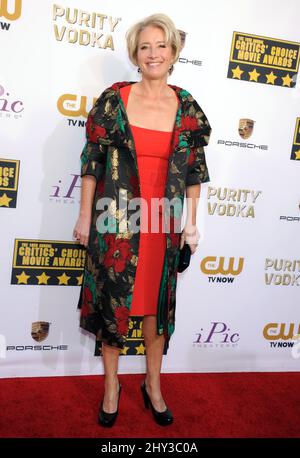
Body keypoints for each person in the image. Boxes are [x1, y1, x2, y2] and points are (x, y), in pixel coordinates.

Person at [73, 13, 211, 428]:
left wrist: (191, 222)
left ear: (174, 53)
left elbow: (194, 172)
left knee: (157, 308)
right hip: (115, 221)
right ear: (136, 54)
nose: (153, 54)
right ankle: (112, 385)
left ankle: (152, 384)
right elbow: (92, 161)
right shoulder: (114, 100)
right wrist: (84, 215)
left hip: (164, 224)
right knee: (114, 305)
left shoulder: (186, 105)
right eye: (145, 46)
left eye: (161, 46)